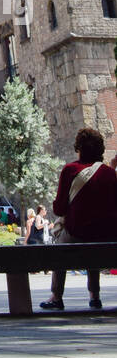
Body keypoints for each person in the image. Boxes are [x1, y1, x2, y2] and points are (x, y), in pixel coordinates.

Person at [40, 127, 117, 312]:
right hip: (105, 235)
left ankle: (56, 296)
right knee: (93, 235)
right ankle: (94, 296)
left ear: (79, 148)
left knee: (61, 246)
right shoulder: (109, 173)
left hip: (78, 233)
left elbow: (59, 209)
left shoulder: (70, 170)